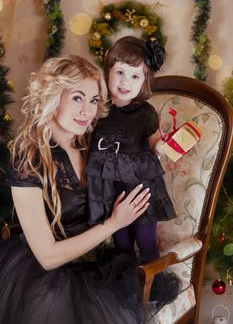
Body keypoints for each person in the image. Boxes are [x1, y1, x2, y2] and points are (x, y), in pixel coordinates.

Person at [0, 55, 153, 324]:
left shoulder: (93, 145)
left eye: (94, 100)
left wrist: (162, 156)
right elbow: (47, 257)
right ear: (53, 97)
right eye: (77, 98)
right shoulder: (29, 160)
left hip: (101, 265)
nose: (87, 111)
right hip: (47, 275)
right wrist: (114, 224)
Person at [86, 36, 177, 264]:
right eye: (120, 73)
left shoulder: (145, 112)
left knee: (146, 240)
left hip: (139, 186)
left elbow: (155, 144)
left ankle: (151, 289)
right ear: (107, 72)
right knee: (121, 243)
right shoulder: (97, 106)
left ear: (144, 82)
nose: (126, 82)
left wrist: (160, 146)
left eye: (135, 76)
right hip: (109, 187)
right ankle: (125, 284)